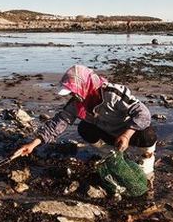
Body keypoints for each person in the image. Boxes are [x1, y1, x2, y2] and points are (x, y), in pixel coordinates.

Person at [13, 65, 157, 180]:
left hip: (128, 131)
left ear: (85, 85)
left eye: (74, 92)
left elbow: (143, 113)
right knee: (84, 128)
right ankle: (108, 154)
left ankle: (147, 159)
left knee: (148, 135)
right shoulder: (77, 103)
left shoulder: (113, 93)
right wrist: (32, 144)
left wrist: (126, 135)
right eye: (71, 93)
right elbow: (58, 123)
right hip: (108, 134)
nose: (73, 96)